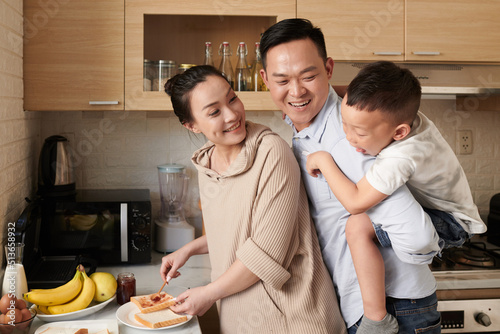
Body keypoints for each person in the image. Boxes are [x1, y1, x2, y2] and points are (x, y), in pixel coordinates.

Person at [260, 18, 442, 334]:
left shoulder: (352, 134)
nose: (297, 91)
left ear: (329, 69)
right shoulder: (306, 133)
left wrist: (425, 249)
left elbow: (413, 228)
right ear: (265, 80)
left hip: (392, 308)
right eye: (282, 80)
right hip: (364, 303)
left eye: (308, 76)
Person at [159, 65, 347, 333]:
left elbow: (266, 252)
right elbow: (239, 230)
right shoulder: (207, 164)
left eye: (232, 98)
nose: (232, 114)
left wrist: (209, 293)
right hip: (239, 318)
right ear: (191, 125)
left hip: (293, 319)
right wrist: (188, 249)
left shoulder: (272, 153)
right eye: (214, 112)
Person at [304, 60, 487, 332]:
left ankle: (376, 320)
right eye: (344, 125)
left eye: (360, 132)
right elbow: (363, 101)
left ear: (399, 133)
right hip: (448, 213)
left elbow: (355, 201)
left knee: (356, 225)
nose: (350, 138)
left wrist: (322, 159)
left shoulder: (400, 157)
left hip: (451, 223)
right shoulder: (406, 119)